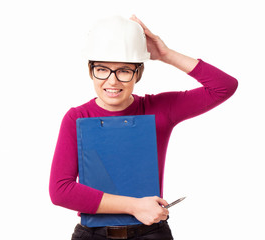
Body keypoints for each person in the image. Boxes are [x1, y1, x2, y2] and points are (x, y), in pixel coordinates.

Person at [49, 15, 238, 240]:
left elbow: (224, 87)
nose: (112, 81)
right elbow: (61, 191)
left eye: (124, 70)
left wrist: (166, 55)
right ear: (91, 70)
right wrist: (134, 206)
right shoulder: (77, 117)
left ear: (138, 73)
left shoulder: (159, 109)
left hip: (150, 235)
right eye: (102, 69)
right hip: (92, 235)